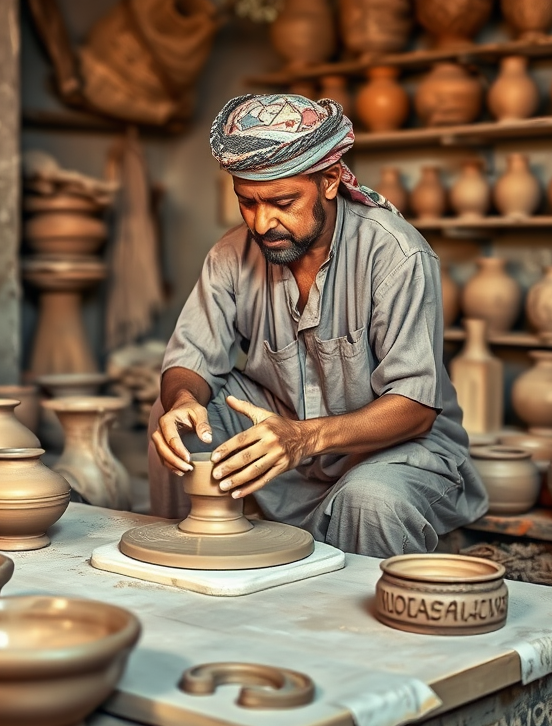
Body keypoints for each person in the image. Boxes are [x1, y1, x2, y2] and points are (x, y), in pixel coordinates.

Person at [147, 93, 488, 558]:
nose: (263, 222)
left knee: (367, 500)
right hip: (288, 450)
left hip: (389, 453)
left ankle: (365, 625)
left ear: (329, 180)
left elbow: (415, 407)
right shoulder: (231, 254)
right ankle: (180, 563)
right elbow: (190, 359)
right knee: (174, 421)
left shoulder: (394, 253)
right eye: (247, 203)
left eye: (283, 202)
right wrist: (183, 399)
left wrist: (305, 438)